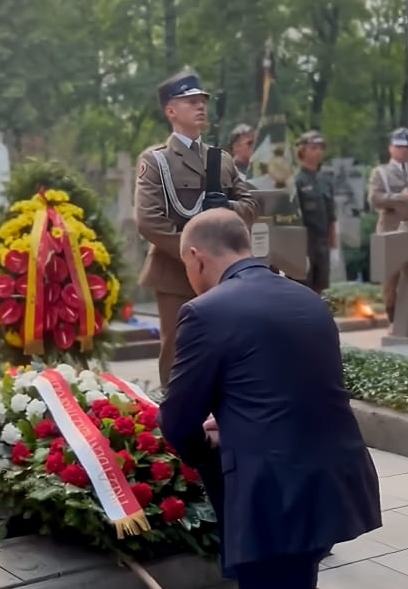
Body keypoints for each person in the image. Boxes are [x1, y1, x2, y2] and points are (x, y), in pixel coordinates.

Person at [159, 208, 381, 589]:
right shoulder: (308, 298)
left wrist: (206, 445)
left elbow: (178, 419)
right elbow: (288, 389)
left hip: (270, 495)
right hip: (330, 479)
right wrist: (234, 420)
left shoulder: (206, 311)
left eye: (185, 264)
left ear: (196, 257)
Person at [134, 68, 259, 386]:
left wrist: (225, 207)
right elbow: (149, 221)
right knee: (179, 352)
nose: (200, 106)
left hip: (222, 274)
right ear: (171, 110)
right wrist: (194, 254)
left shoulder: (221, 160)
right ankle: (177, 423)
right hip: (176, 271)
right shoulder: (157, 160)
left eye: (202, 100)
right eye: (190, 101)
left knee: (225, 347)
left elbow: (252, 204)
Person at [367, 127, 408, 325]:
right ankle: (393, 319)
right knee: (391, 278)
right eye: (399, 147)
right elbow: (374, 199)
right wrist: (400, 197)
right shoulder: (381, 172)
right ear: (391, 149)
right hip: (390, 229)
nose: (403, 151)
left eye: (406, 147)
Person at [293, 130, 336, 294]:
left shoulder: (324, 180)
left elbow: (331, 212)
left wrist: (333, 239)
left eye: (321, 147)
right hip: (305, 242)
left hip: (322, 241)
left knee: (321, 284)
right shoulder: (297, 181)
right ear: (302, 151)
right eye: (313, 147)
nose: (318, 151)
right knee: (304, 284)